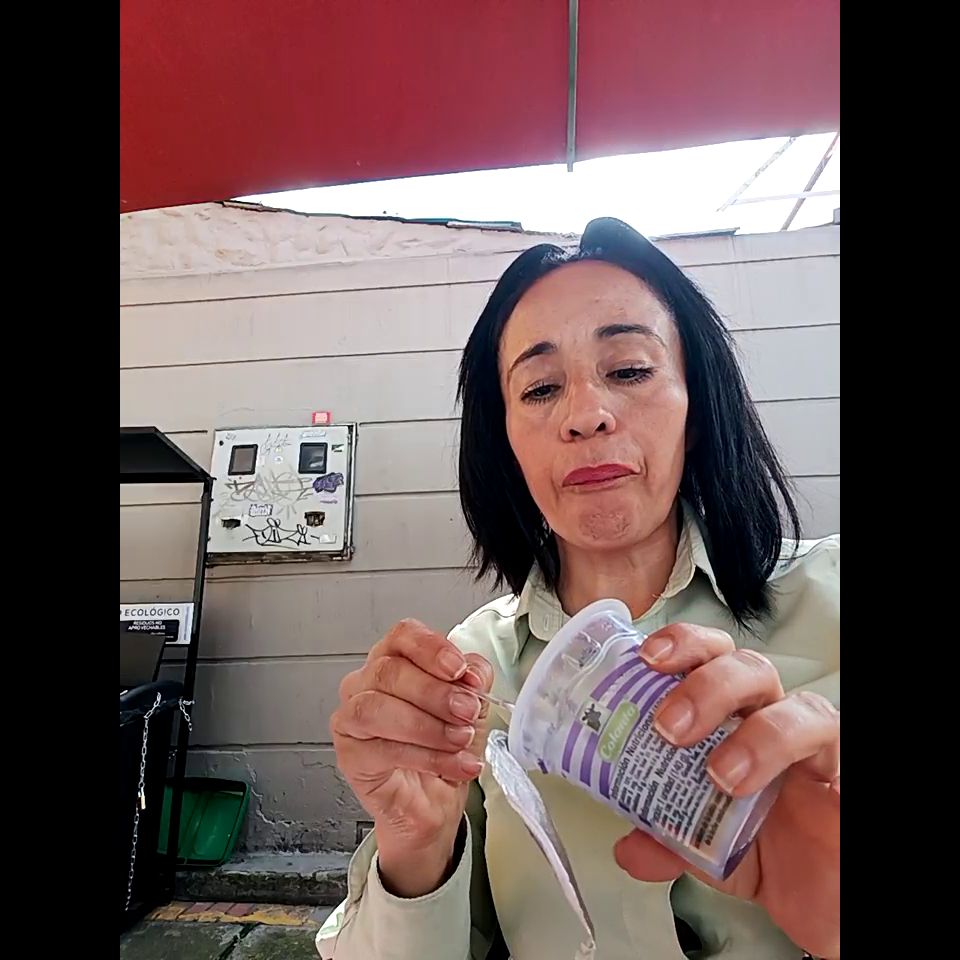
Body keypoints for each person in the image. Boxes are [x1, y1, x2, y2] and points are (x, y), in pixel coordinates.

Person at [317, 218, 840, 960]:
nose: (587, 414)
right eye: (539, 388)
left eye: (628, 370)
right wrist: (414, 844)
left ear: (695, 409)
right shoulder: (471, 674)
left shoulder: (830, 596)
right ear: (507, 442)